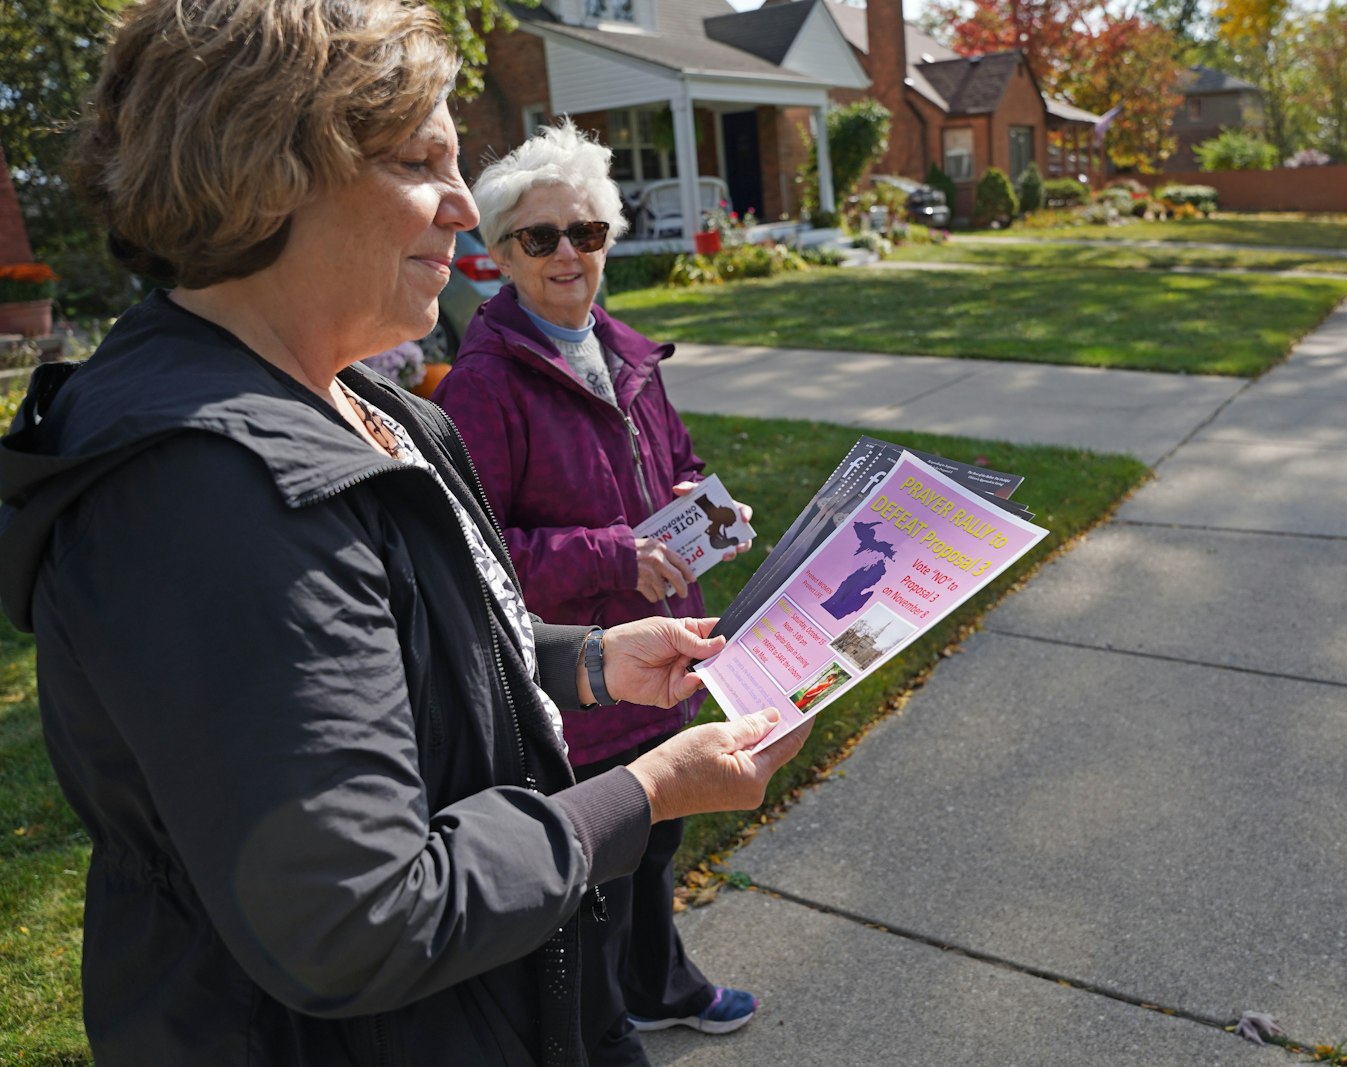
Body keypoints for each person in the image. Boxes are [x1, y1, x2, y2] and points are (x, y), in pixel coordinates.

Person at [0, 3, 808, 1065]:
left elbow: (406, 646)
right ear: (268, 169)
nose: (465, 207)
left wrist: (590, 660)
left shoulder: (364, 403)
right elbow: (360, 917)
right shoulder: (203, 490)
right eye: (421, 160)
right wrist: (649, 790)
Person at [432, 123, 757, 1067]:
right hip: (582, 685)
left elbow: (673, 462)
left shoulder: (627, 353)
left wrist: (703, 502)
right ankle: (598, 1027)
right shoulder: (484, 386)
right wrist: (614, 555)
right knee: (603, 880)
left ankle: (662, 988)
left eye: (587, 231)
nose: (569, 253)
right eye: (541, 238)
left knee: (659, 847)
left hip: (661, 663)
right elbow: (476, 555)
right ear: (499, 256)